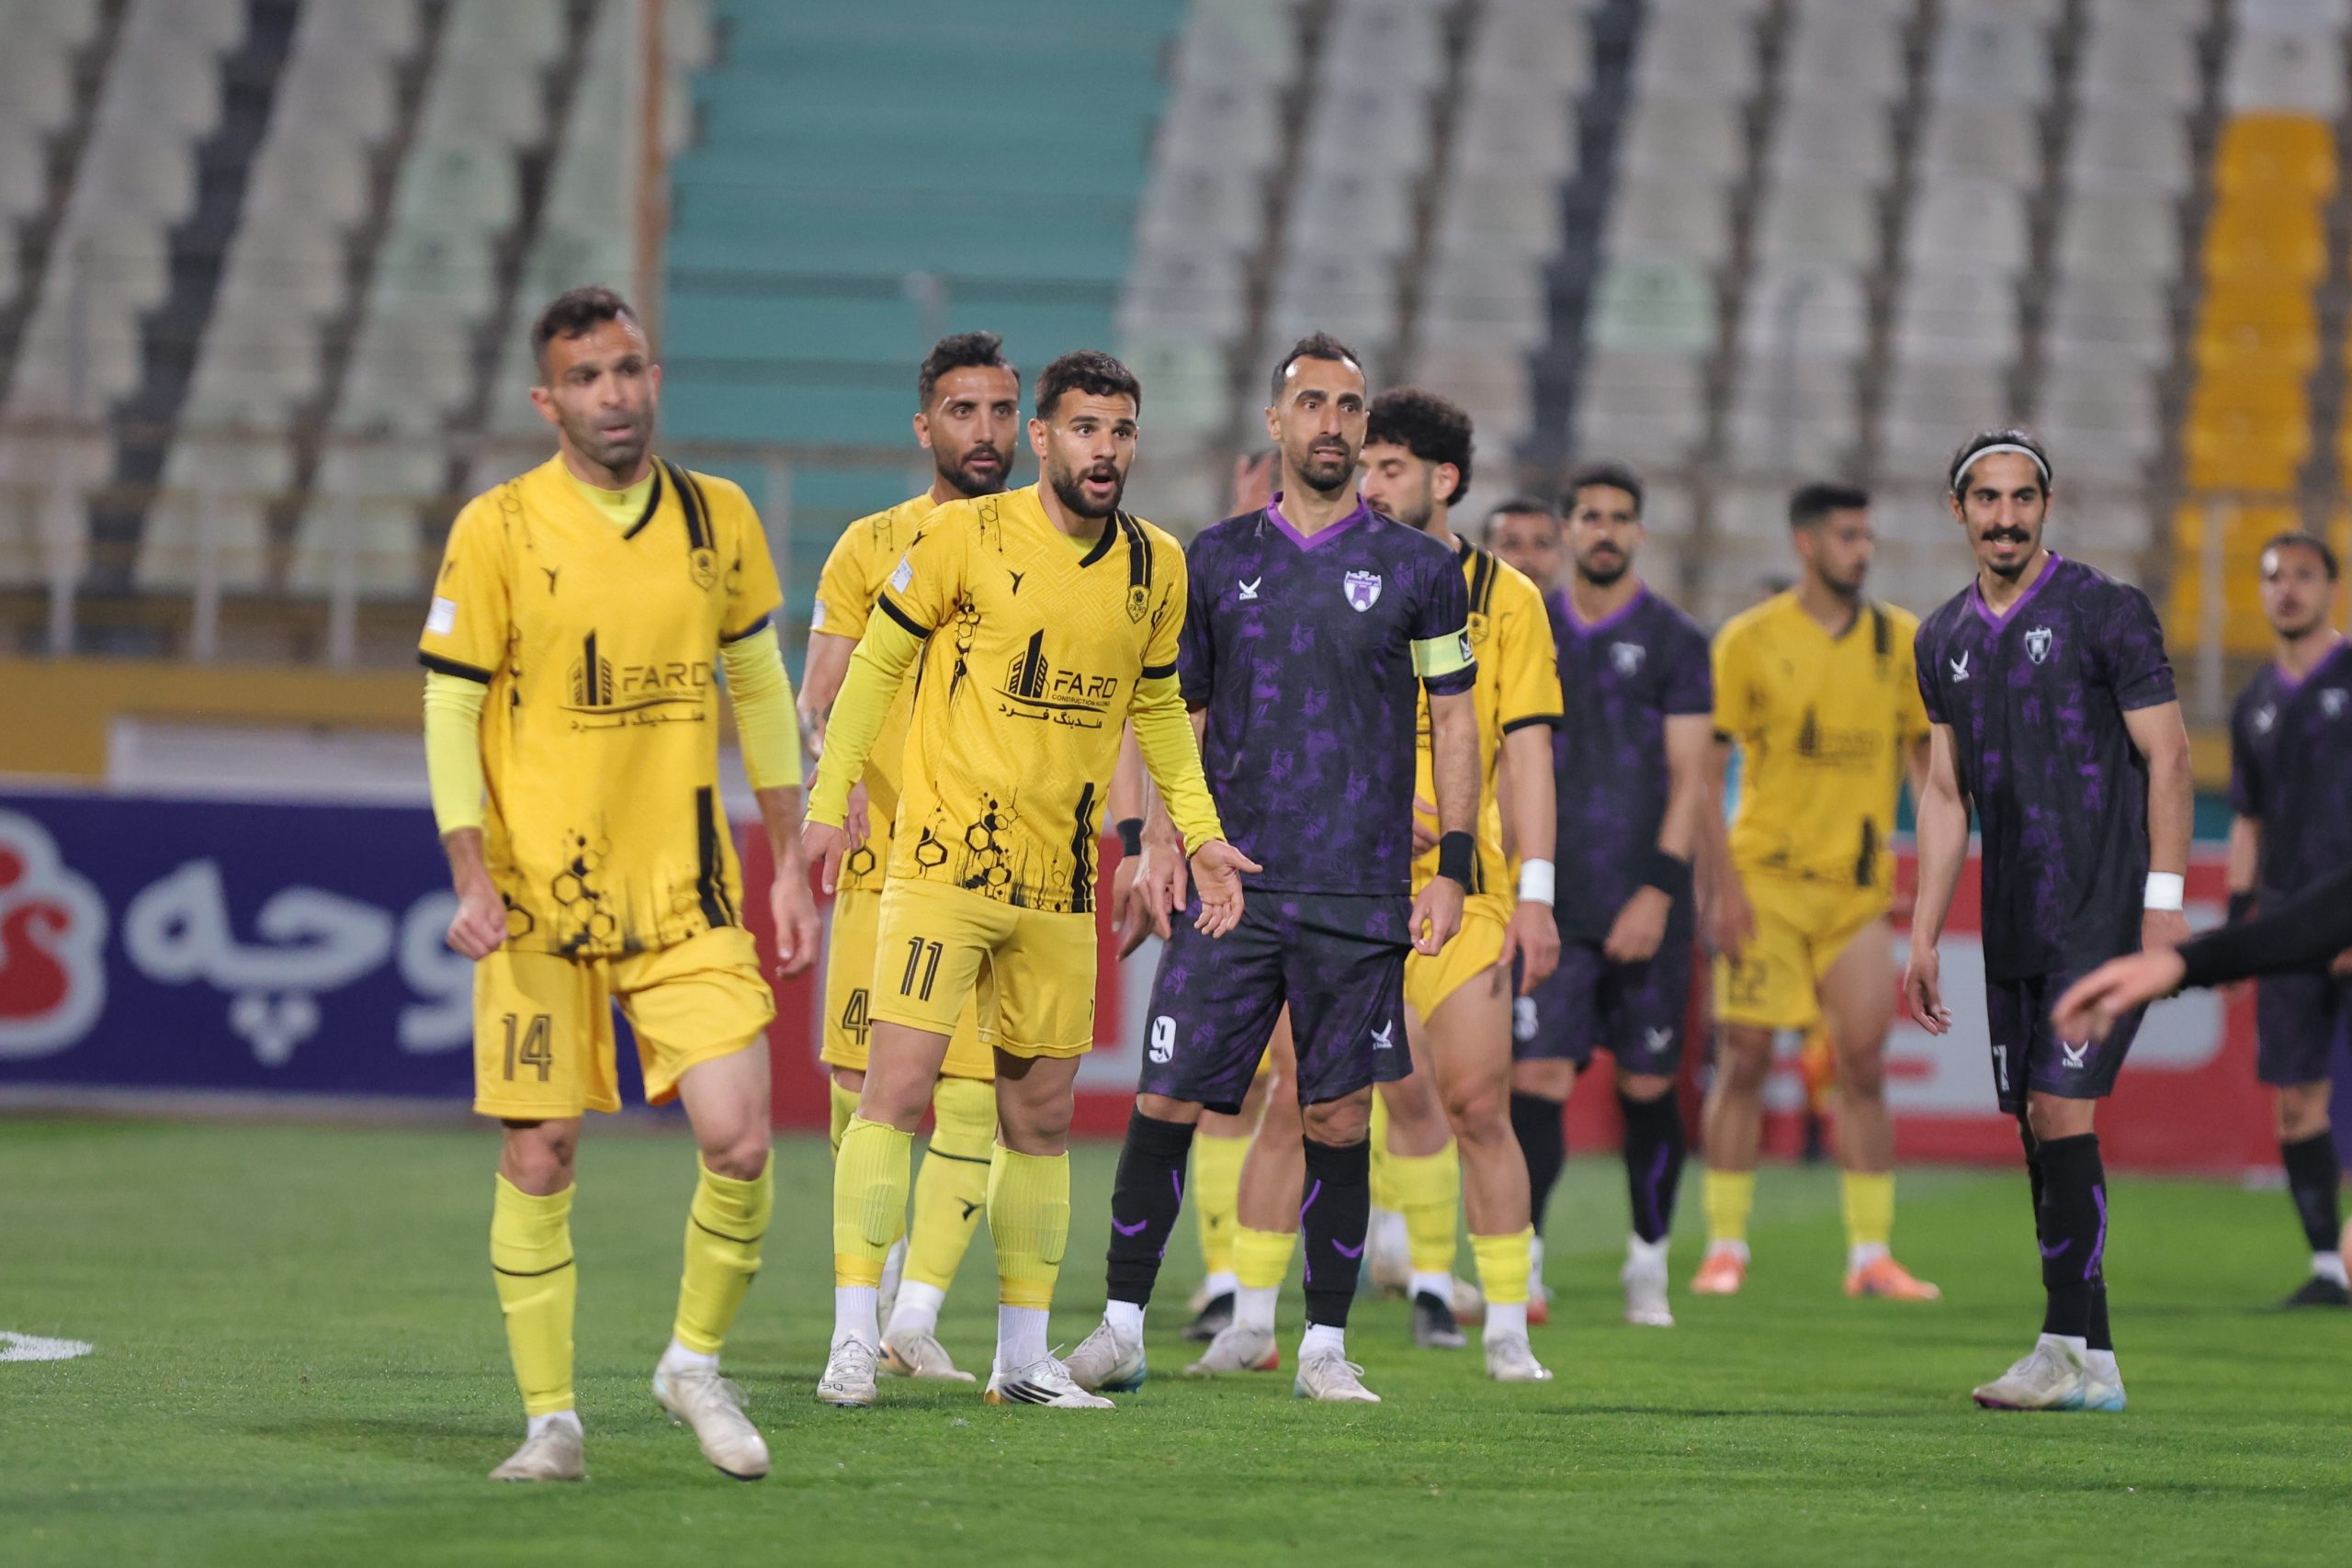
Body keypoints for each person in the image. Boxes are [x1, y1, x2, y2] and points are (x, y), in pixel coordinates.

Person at [421, 286, 822, 1483]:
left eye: (629, 369)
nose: (614, 394)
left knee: (740, 1139)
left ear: (655, 376)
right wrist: (468, 867)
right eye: (587, 377)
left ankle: (692, 1361)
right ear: (548, 400)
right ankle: (551, 1420)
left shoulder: (718, 515)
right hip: (537, 899)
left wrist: (787, 859)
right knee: (541, 1150)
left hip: (683, 896)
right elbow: (449, 702)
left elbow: (759, 686)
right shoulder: (498, 526)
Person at [804, 349, 1255, 1410]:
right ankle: (853, 1339)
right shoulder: (963, 536)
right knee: (894, 1096)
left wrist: (1197, 835)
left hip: (1057, 884)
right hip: (942, 867)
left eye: (1122, 430)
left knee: (1040, 1123)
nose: (1106, 450)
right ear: (1043, 438)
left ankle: (1020, 1362)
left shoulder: (1156, 564)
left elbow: (1158, 712)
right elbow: (872, 666)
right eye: (1086, 429)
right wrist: (828, 803)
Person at [1065, 334, 1482, 1403]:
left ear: (1364, 427)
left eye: (1347, 406)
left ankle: (1324, 1349)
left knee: (1336, 1119)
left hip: (1357, 891)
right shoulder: (1212, 559)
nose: (1330, 423)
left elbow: (1455, 717)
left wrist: (1455, 866)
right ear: (1275, 423)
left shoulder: (1422, 571)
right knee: (1167, 1099)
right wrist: (1158, 841)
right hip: (1230, 887)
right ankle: (1119, 1329)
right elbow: (1176, 714)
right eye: (1311, 404)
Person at [1906, 431, 2193, 1413]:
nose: (2006, 517)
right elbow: (1944, 794)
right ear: (1958, 510)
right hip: (2013, 915)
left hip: (2100, 906)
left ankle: (2060, 1345)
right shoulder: (1940, 638)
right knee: (2036, 1126)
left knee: (2061, 1112)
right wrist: (1923, 932)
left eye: (2022, 497)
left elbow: (2171, 757)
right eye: (1986, 499)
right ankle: (2095, 1364)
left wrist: (2163, 909)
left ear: (2047, 505)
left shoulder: (2105, 611)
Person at [797, 333, 1023, 1382]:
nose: (985, 431)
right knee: (863, 1082)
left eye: (1001, 411)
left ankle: (914, 1316)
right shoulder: (869, 545)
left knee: (976, 1095)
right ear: (925, 425)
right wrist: (834, 781)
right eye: (963, 411)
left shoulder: (1044, 545)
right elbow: (820, 693)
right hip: (885, 856)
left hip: (998, 863)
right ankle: (871, 1286)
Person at [1693, 482, 1941, 1303]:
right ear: (1806, 543)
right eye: (1846, 536)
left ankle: (1872, 1254)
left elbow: (1928, 769)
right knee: (1744, 1059)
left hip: (1855, 892)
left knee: (1863, 1065)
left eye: (1867, 536)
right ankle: (1724, 1245)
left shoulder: (1901, 640)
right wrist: (1720, 887)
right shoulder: (1749, 640)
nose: (1862, 551)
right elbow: (1703, 774)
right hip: (1765, 883)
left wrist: (1934, 866)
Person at [1515, 464, 1712, 1327]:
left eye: (1620, 517)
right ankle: (1523, 1261)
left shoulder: (1675, 639)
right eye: (1589, 515)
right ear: (1567, 529)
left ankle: (1648, 1260)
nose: (1604, 530)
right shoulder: (1531, 627)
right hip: (1553, 900)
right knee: (1537, 1074)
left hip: (1644, 901)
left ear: (1639, 532)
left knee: (1647, 1083)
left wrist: (1659, 893)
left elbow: (1692, 777)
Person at [2220, 535, 2350, 1305]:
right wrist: (2240, 927)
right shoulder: (2255, 703)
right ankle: (2330, 1267)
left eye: (2304, 574)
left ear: (2332, 586)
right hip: (2290, 920)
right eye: (2274, 576)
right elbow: (2248, 819)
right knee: (2297, 1100)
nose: (2288, 588)